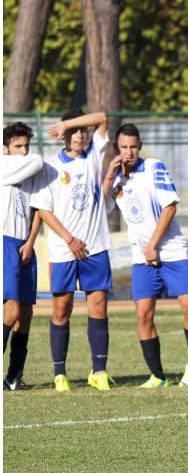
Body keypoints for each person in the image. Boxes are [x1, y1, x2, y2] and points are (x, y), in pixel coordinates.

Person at [104, 123, 188, 387]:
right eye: (124, 147)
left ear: (140, 146)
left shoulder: (154, 167)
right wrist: (108, 176)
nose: (129, 152)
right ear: (117, 148)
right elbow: (100, 210)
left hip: (172, 250)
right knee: (143, 315)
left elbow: (170, 207)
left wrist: (154, 245)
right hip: (142, 257)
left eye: (133, 147)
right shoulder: (115, 180)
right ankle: (157, 376)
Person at [30, 109, 114, 392]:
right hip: (64, 250)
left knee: (98, 308)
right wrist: (69, 239)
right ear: (64, 137)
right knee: (61, 309)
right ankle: (60, 373)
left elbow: (102, 117)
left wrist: (67, 122)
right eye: (73, 132)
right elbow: (44, 210)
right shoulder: (50, 166)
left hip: (96, 248)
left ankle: (99, 371)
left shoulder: (94, 157)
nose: (79, 135)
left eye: (82, 130)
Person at [2, 122, 47, 390]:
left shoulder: (28, 173)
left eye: (26, 145)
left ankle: (14, 377)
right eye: (18, 146)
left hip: (24, 244)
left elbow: (38, 209)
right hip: (5, 242)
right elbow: (39, 160)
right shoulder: (5, 165)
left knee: (26, 313)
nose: (24, 151)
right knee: (12, 310)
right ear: (6, 148)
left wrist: (30, 242)